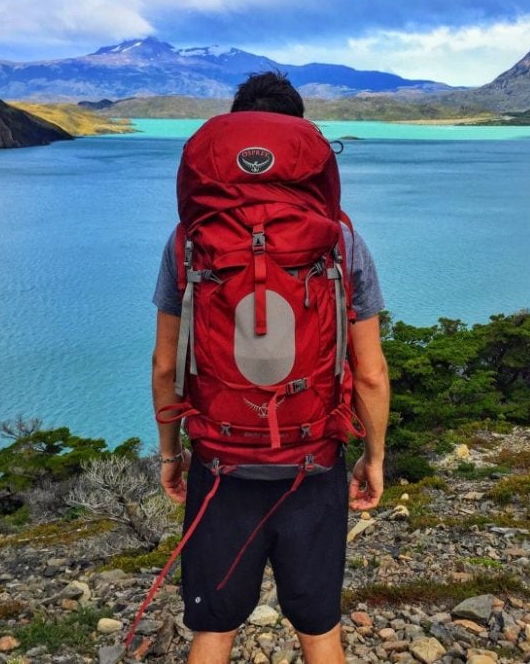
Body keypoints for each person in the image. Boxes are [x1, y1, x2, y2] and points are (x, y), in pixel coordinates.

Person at [151, 71, 390, 663]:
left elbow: (165, 366)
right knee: (319, 627)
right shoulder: (340, 241)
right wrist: (375, 457)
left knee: (214, 628)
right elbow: (369, 372)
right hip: (314, 459)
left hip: (221, 459)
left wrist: (172, 453)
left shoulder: (188, 241)